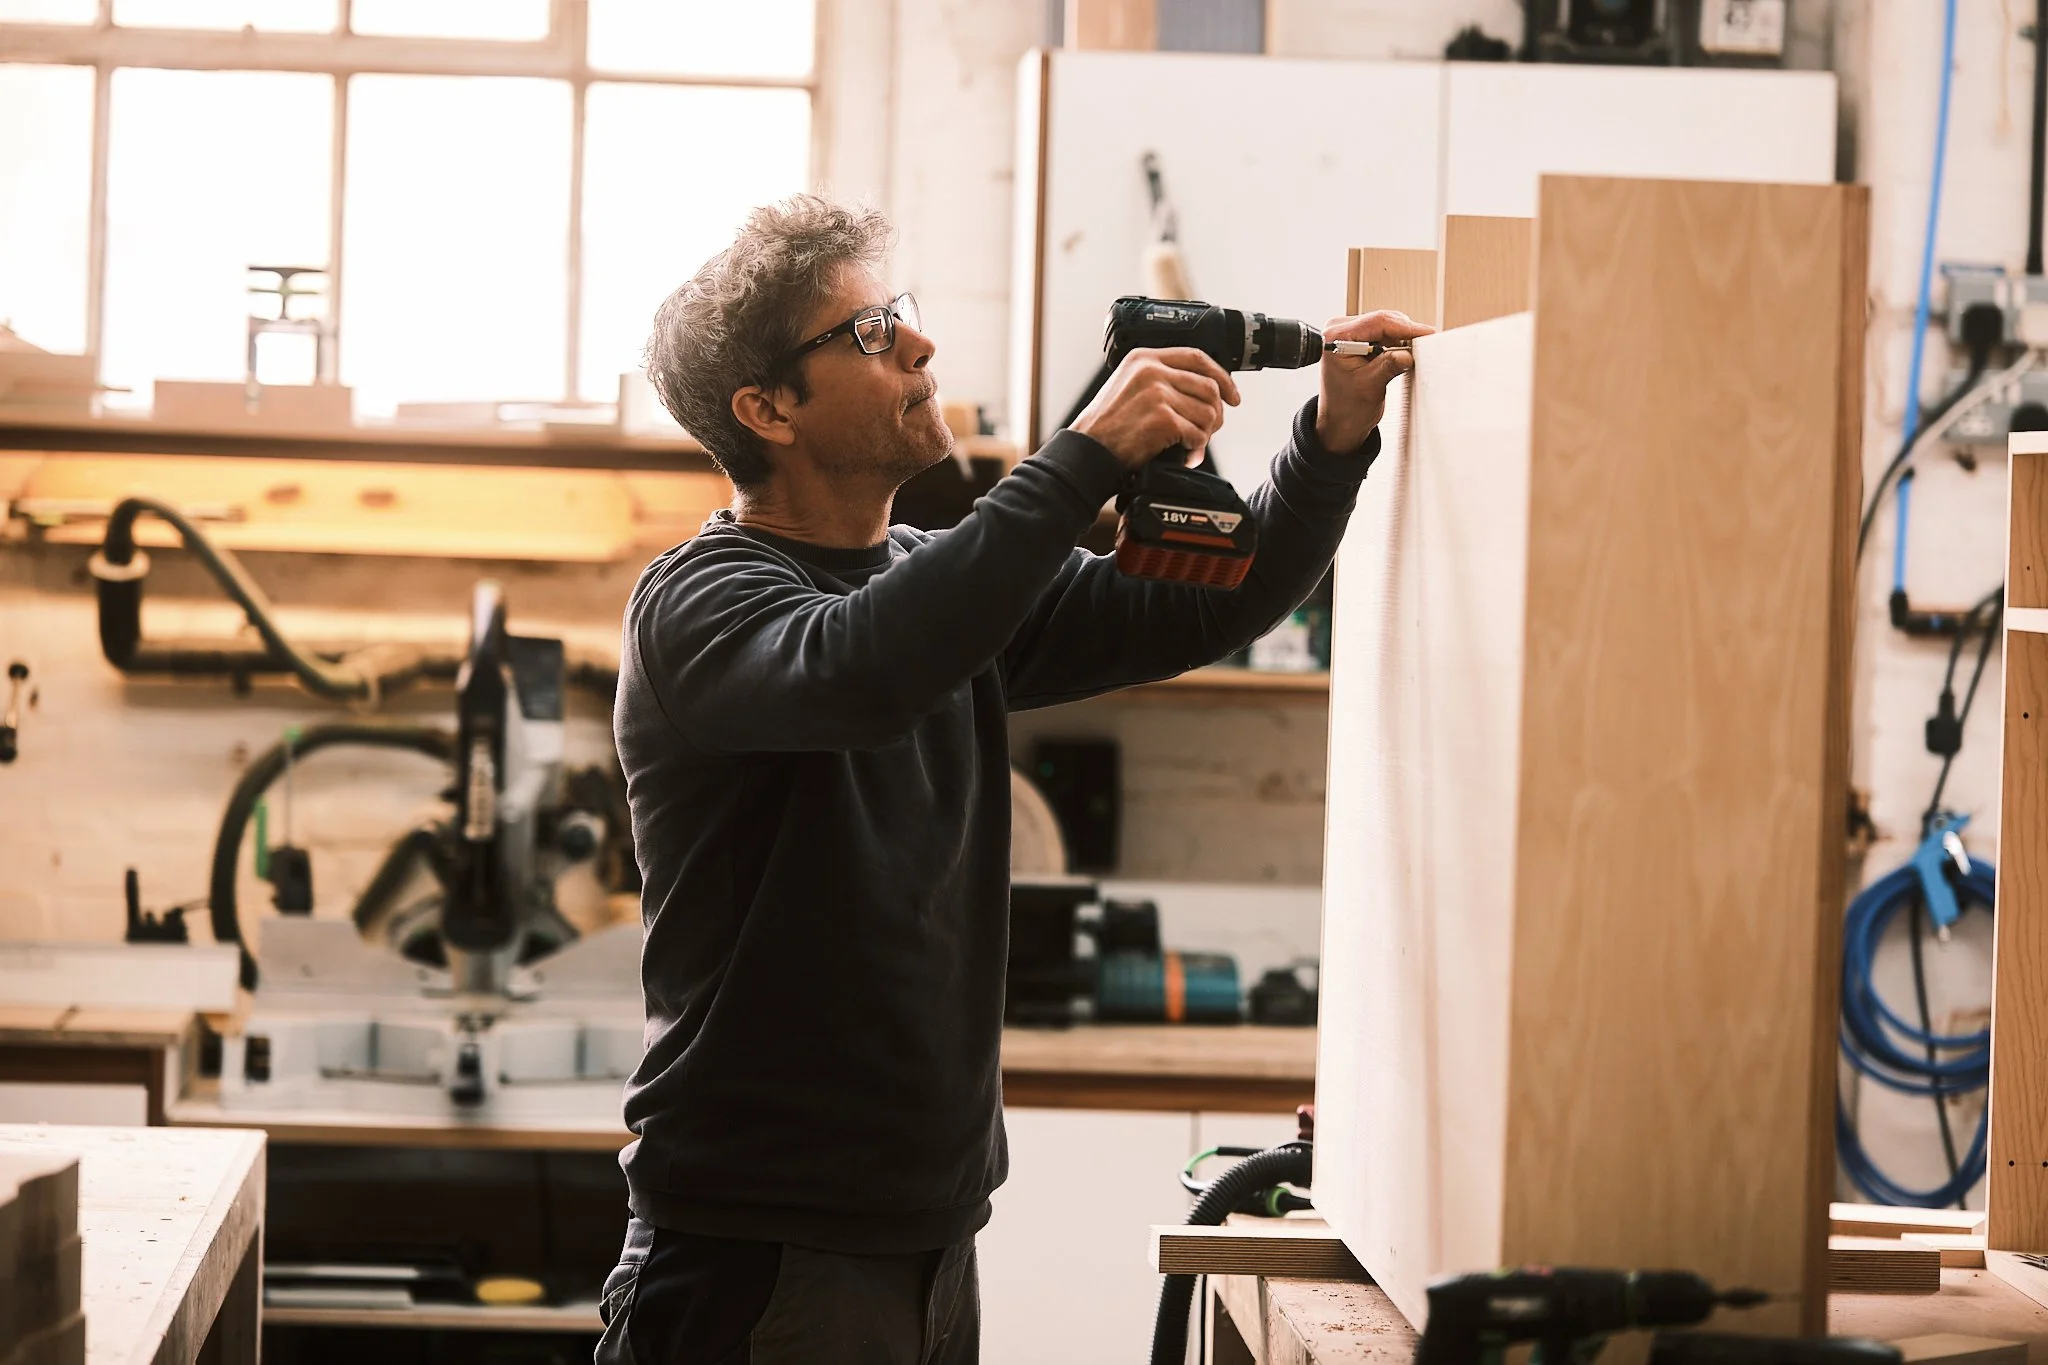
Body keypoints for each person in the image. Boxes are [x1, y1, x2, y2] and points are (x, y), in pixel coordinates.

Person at [595, 194, 1427, 1365]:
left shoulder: (942, 583)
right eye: (872, 332)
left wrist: (1328, 438)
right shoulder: (701, 601)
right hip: (759, 1249)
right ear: (765, 408)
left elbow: (1207, 603)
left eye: (905, 315)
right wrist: (1081, 455)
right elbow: (863, 668)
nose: (920, 345)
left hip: (928, 1237)